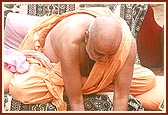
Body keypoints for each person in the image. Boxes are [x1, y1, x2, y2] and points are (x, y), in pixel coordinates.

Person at [4, 7, 160, 111]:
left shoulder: (127, 44)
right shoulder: (70, 42)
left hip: (84, 79)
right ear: (86, 38)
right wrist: (77, 87)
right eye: (99, 53)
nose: (105, 60)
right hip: (57, 73)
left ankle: (90, 84)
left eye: (110, 55)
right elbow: (77, 102)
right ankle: (88, 85)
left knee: (148, 79)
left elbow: (121, 96)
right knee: (21, 89)